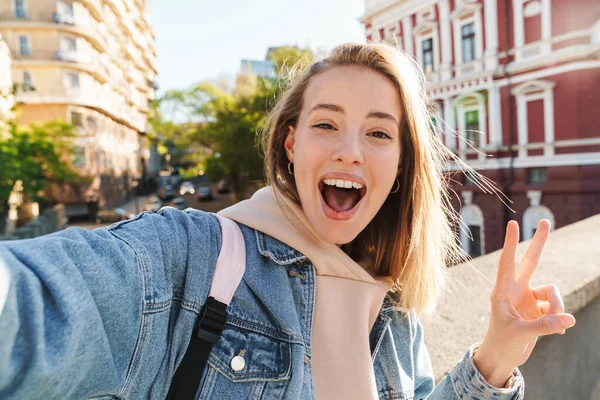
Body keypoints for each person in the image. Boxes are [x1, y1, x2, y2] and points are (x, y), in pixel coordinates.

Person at [0, 43, 575, 399]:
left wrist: (496, 355)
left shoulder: (393, 309)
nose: (350, 150)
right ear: (291, 145)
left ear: (401, 166)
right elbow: (36, 304)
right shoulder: (191, 258)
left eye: (378, 132)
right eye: (327, 124)